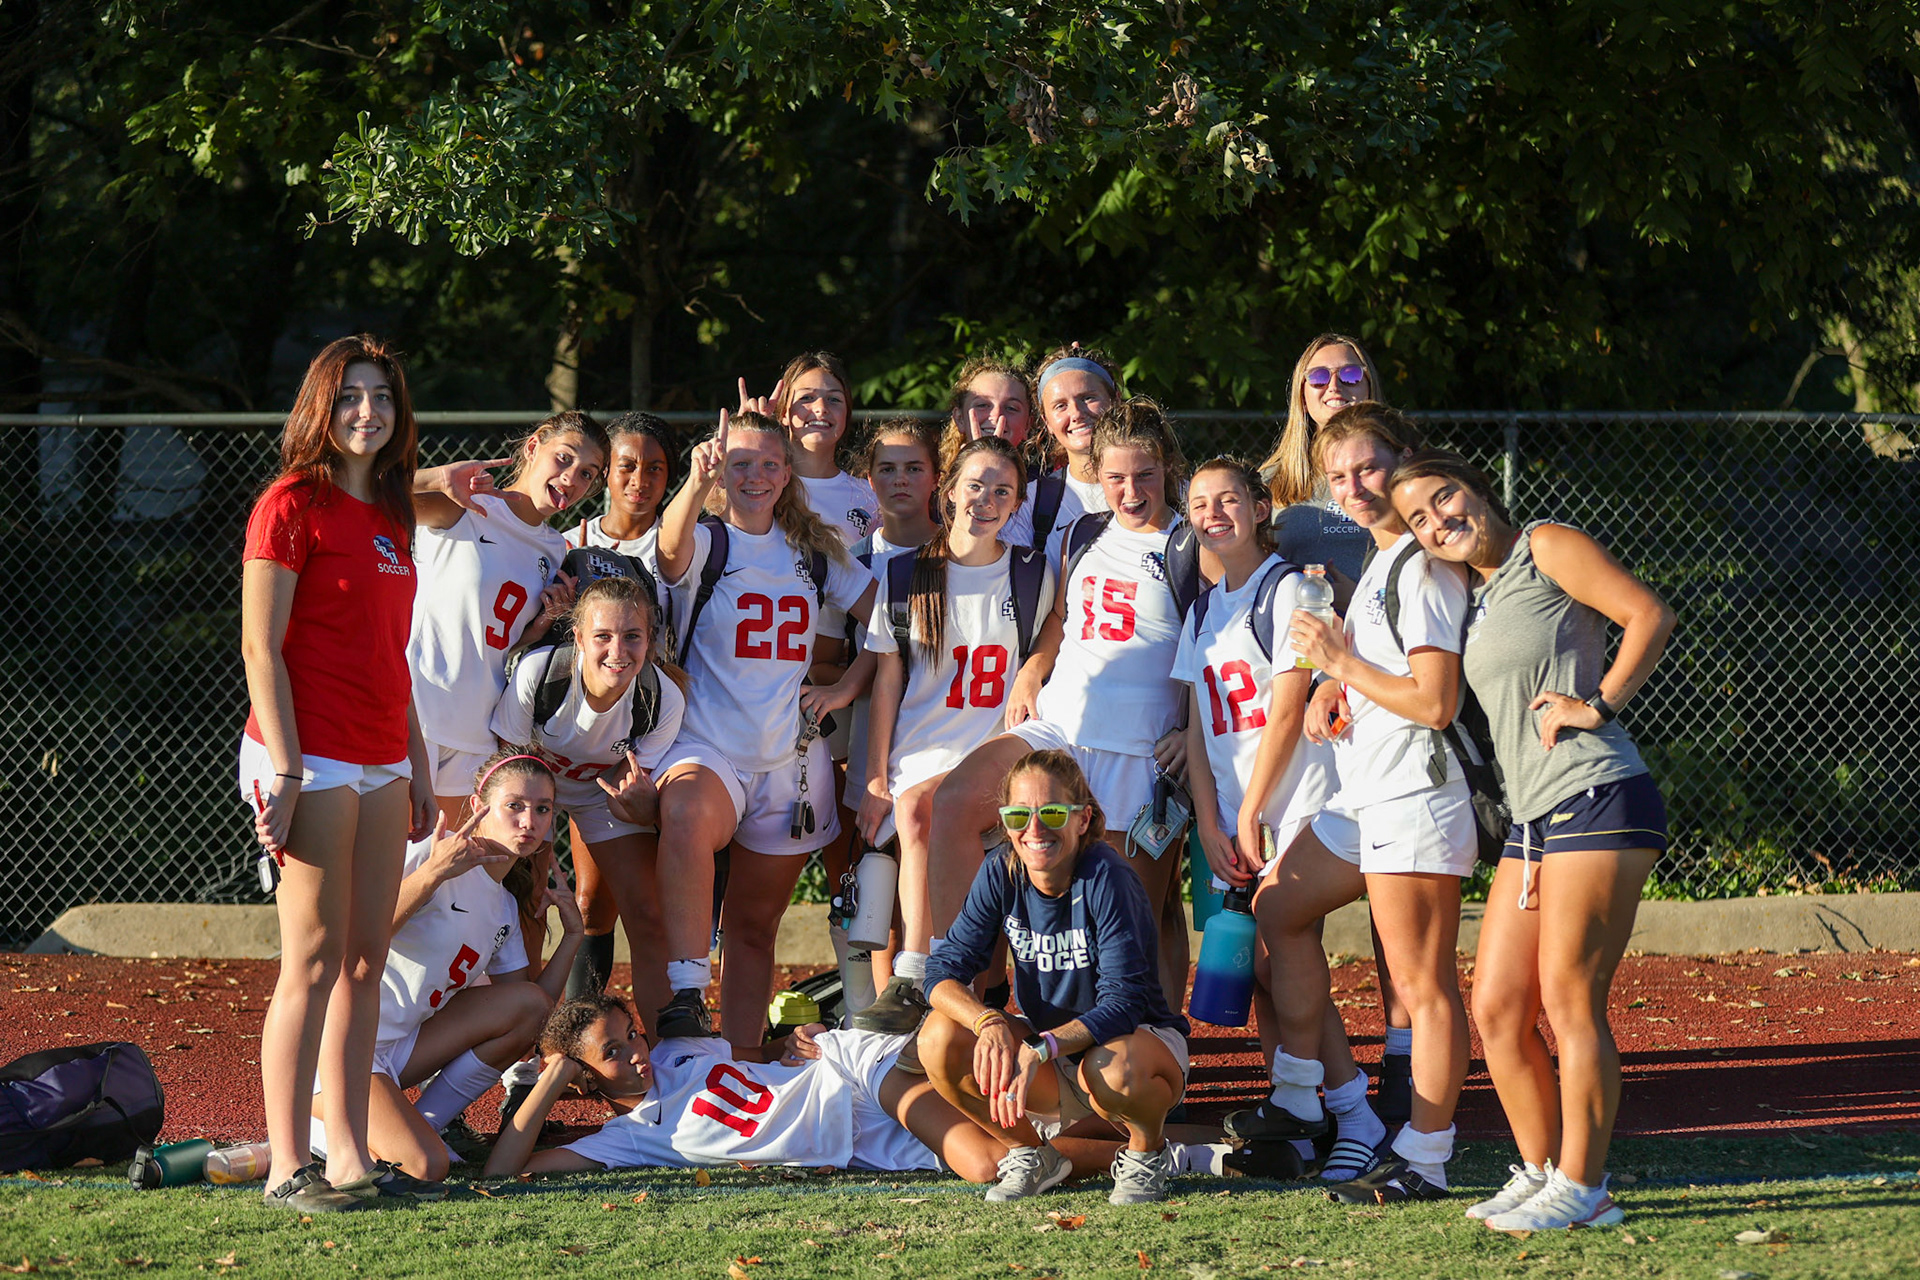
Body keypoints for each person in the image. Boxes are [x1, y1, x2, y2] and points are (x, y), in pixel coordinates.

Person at [1391, 450, 1675, 1231]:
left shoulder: (1544, 544)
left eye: (1444, 496)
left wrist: (1598, 704)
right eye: (1419, 518)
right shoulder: (1468, 595)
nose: (1438, 519)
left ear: (1478, 487)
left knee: (1569, 999)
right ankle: (1543, 1172)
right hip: (1532, 817)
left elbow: (1649, 614)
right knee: (1497, 1007)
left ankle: (1585, 1190)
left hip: (1598, 792)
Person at [239, 335, 435, 1211]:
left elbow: (393, 656)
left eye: (383, 398)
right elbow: (259, 646)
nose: (369, 412)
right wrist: (283, 769)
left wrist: (418, 765)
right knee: (311, 964)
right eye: (352, 396)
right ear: (323, 405)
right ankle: (288, 1166)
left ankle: (347, 1157)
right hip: (305, 756)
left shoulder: (394, 515)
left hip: (381, 755)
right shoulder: (290, 503)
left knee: (366, 963)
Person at [1265, 407, 1477, 1203]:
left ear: (1406, 459)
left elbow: (1435, 703)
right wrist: (1333, 685)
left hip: (1416, 792)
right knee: (1277, 907)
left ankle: (1425, 1155)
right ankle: (1335, 1105)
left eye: (1370, 468)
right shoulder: (1383, 557)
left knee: (1425, 987)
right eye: (1340, 475)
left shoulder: (1421, 566)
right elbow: (1372, 672)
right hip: (1367, 793)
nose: (1354, 487)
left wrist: (1340, 660)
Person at [923, 400, 1195, 1015]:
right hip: (1059, 729)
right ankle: (958, 987)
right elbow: (1060, 617)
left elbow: (1215, 643)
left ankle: (1156, 1048)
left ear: (1168, 469)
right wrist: (1032, 670)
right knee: (957, 801)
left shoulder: (1190, 544)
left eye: (1144, 475)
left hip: (1140, 745)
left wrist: (1188, 728)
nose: (1130, 490)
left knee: (1138, 916)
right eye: (1116, 476)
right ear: (1097, 474)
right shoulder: (1081, 533)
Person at [649, 410, 876, 1045]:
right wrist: (693, 485)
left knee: (754, 927)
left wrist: (845, 686)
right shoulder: (707, 538)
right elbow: (667, 552)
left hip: (790, 761)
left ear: (787, 473)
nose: (754, 475)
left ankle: (742, 1062)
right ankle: (689, 992)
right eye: (739, 462)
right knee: (688, 815)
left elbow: (884, 625)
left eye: (768, 463)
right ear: (720, 470)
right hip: (709, 743)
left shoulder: (812, 551)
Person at [1256, 332, 1414, 1123]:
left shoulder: (1408, 483)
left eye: (1350, 372)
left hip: (1389, 709)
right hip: (1305, 722)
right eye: (1316, 374)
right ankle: (1302, 1084)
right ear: (1298, 390)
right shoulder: (1273, 491)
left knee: (1398, 903)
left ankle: (1404, 1056)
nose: (1334, 384)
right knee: (1282, 908)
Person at [919, 750, 1191, 1204]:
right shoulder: (1001, 871)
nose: (1035, 828)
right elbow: (940, 973)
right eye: (1018, 814)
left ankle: (1148, 1154)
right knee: (938, 1040)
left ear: (1082, 819)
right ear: (1004, 821)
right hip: (1052, 1054)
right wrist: (986, 1022)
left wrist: (1040, 1046)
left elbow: (1123, 1005)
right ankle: (1031, 1153)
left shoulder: (1109, 878)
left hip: (1135, 1045)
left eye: (1050, 812)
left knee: (1113, 1070)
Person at [853, 436, 1051, 1032]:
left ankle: (922, 975)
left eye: (1002, 491)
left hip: (991, 757)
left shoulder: (1032, 573)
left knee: (924, 812)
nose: (985, 500)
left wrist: (1034, 669)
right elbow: (888, 681)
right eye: (975, 485)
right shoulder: (905, 573)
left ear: (1016, 505)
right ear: (948, 490)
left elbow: (1055, 639)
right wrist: (874, 775)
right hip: (918, 754)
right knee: (912, 813)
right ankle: (924, 982)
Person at [312, 750, 582, 1184]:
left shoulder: (506, 908)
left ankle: (419, 1125)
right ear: (478, 807)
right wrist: (432, 875)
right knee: (425, 1167)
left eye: (542, 809)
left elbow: (534, 1010)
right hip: (341, 1043)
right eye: (514, 806)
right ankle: (322, 1135)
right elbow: (352, 941)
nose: (528, 821)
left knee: (527, 1006)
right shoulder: (430, 853)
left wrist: (572, 938)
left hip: (399, 1049)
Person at [1172, 456, 1338, 1094]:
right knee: (1262, 970)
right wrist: (1210, 822)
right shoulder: (1203, 610)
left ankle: (1333, 1105)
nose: (1213, 514)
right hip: (1236, 816)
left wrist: (1249, 814)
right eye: (1199, 504)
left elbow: (1289, 707)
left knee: (1281, 954)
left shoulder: (1291, 588)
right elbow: (1197, 730)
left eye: (1228, 500)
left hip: (1293, 804)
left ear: (1260, 509)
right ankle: (1295, 1102)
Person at [482, 994, 1005, 1182]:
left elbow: (770, 1057)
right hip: (856, 1145)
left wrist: (793, 1041)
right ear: (581, 1076)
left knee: (986, 1161)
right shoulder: (627, 1139)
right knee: (1013, 1152)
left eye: (632, 1035)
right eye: (612, 1053)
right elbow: (504, 1172)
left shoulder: (681, 1051)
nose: (637, 1052)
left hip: (849, 1074)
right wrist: (552, 1079)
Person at [489, 575, 688, 1026]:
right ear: (578, 638)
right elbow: (510, 776)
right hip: (531, 794)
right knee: (526, 905)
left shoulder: (661, 698)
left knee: (647, 914)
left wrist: (643, 807)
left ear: (649, 640)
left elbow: (623, 790)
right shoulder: (540, 674)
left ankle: (669, 1057)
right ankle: (520, 1052)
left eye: (632, 636)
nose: (618, 651)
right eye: (603, 636)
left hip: (601, 797)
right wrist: (535, 844)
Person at [407, 410, 609, 829]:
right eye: (565, 458)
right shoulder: (468, 504)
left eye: (588, 474)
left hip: (479, 723)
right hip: (417, 710)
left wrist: (539, 628)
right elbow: (371, 494)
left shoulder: (556, 549)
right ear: (534, 446)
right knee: (399, 864)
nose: (573, 478)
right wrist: (438, 477)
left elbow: (502, 645)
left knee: (455, 872)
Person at [560, 411, 678, 999]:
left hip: (673, 729)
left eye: (656, 469)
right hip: (595, 740)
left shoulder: (689, 541)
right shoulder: (572, 545)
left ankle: (687, 1033)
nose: (640, 479)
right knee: (591, 899)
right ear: (605, 471)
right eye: (627, 465)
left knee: (667, 902)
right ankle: (577, 1033)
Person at [1027, 344, 1121, 559]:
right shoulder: (1033, 502)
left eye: (1088, 397)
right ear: (1046, 422)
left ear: (1115, 400)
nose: (1076, 413)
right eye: (1060, 406)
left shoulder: (1164, 486)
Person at [938, 356, 1043, 545]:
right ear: (960, 418)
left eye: (1011, 408)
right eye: (982, 405)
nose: (996, 415)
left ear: (1028, 424)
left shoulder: (1045, 492)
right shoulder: (931, 486)